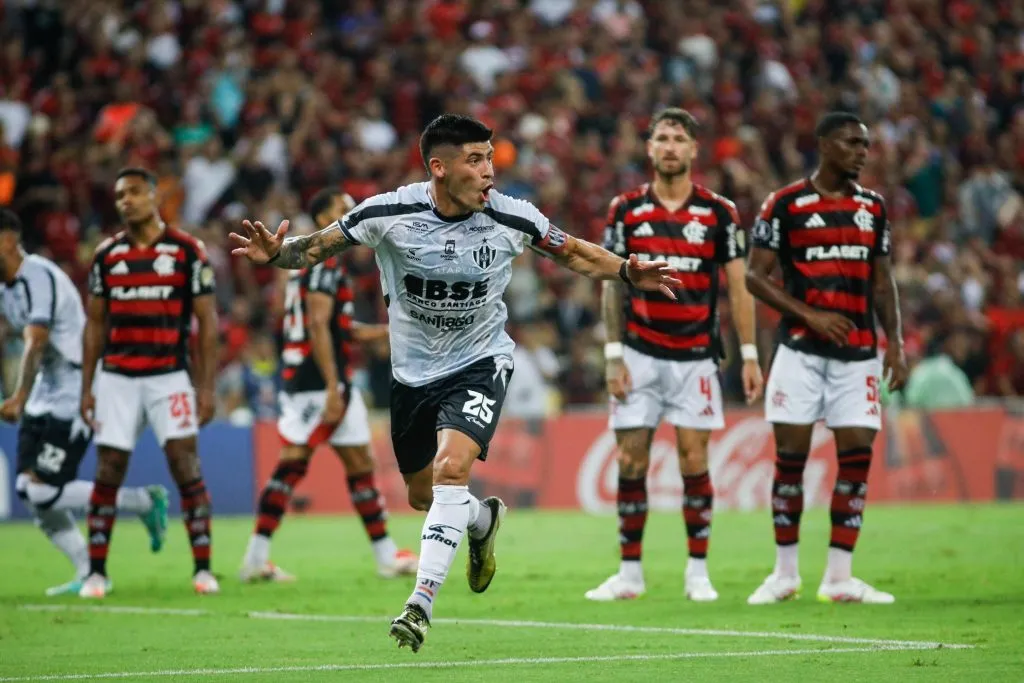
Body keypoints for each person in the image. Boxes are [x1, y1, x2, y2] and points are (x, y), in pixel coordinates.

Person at [230, 113, 679, 652]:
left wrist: (629, 271)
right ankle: (480, 519)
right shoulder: (388, 212)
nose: (489, 170)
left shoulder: (513, 216)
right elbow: (314, 248)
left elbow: (577, 252)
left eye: (490, 157)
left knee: (450, 469)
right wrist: (277, 255)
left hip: (480, 362)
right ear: (439, 167)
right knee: (426, 495)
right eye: (475, 159)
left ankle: (420, 603)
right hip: (411, 378)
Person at [587, 108, 763, 603]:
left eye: (678, 139)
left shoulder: (719, 212)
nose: (669, 146)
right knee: (630, 459)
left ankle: (697, 572)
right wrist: (613, 354)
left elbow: (738, 287)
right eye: (661, 138)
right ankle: (629, 573)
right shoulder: (625, 210)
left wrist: (749, 354)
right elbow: (610, 283)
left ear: (693, 150)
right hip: (639, 354)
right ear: (649, 148)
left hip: (696, 357)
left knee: (693, 460)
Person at [745, 112, 908, 604]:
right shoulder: (785, 204)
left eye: (865, 144)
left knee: (856, 461)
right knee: (790, 462)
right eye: (852, 143)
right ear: (823, 145)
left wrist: (895, 342)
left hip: (858, 356)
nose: (862, 151)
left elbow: (883, 281)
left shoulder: (872, 208)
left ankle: (839, 577)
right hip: (798, 353)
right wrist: (810, 316)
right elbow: (755, 276)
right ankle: (785, 574)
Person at [240, 188, 417, 582]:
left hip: (325, 378)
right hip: (317, 382)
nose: (351, 214)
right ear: (324, 220)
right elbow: (318, 325)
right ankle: (255, 556)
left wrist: (387, 333)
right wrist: (334, 387)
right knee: (293, 462)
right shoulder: (323, 266)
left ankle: (386, 555)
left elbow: (338, 329)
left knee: (359, 464)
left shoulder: (316, 267)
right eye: (343, 209)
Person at [0, 208, 168, 597]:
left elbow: (36, 339)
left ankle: (142, 501)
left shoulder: (36, 276)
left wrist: (18, 397)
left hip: (75, 387)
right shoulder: (6, 287)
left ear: (8, 240)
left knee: (41, 489)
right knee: (29, 490)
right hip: (45, 388)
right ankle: (87, 571)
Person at [79, 168, 220, 598]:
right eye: (120, 194)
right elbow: (95, 326)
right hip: (117, 378)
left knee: (185, 466)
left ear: (154, 196)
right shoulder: (107, 255)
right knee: (108, 470)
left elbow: (207, 322)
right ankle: (97, 573)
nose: (126, 200)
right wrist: (88, 387)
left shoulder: (186, 251)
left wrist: (207, 387)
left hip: (169, 377)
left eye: (135, 192)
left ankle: (203, 570)